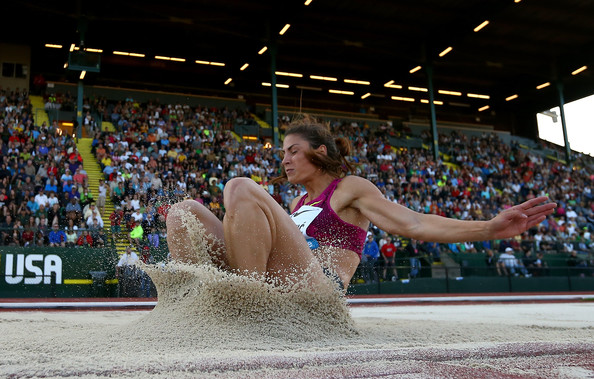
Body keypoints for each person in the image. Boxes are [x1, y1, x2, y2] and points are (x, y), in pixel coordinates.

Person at [165, 116, 556, 291]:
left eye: (293, 151)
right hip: (277, 280)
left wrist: (487, 228)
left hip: (315, 290)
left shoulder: (349, 187)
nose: (284, 160)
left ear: (319, 152)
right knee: (184, 212)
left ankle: (243, 303)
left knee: (239, 185)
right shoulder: (298, 202)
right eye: (283, 152)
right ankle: (194, 306)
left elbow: (413, 224)